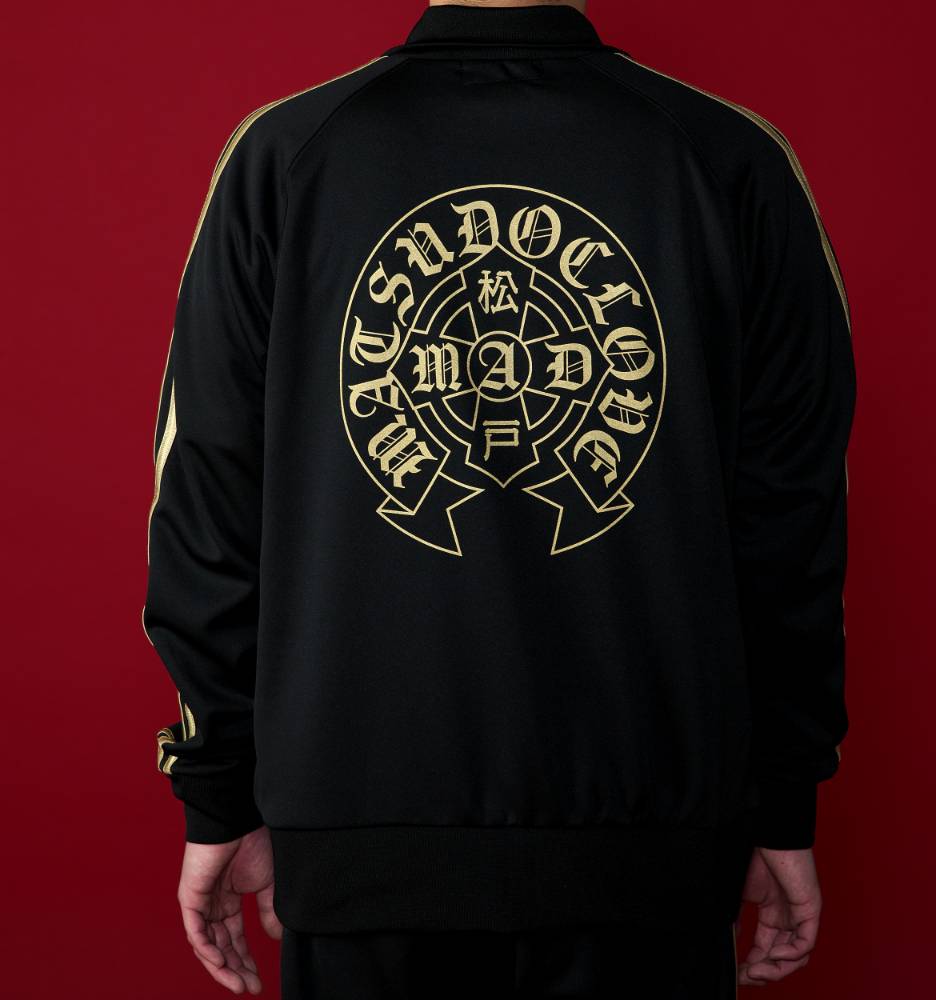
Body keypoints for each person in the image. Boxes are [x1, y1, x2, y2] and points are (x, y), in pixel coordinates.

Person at [142, 1, 857, 996]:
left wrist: (219, 791)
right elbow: (791, 519)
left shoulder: (286, 155)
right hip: (652, 848)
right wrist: (780, 799)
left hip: (362, 835)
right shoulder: (728, 157)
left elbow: (207, 503)